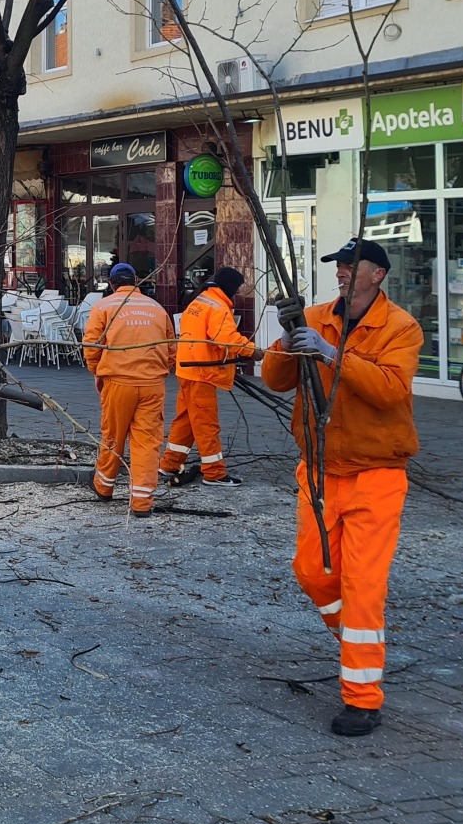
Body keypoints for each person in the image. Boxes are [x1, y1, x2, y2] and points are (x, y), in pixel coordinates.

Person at [261, 238, 422, 739]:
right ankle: (354, 640)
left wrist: (332, 354)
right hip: (319, 470)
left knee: (363, 585)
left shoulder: (400, 327)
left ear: (379, 275)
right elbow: (274, 379)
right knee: (311, 571)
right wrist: (288, 343)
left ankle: (362, 698)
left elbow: (391, 389)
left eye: (354, 267)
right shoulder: (313, 316)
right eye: (339, 266)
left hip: (377, 474)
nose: (342, 273)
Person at [80, 263, 175, 516]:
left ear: (111, 284)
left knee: (113, 436)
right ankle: (142, 502)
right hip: (153, 384)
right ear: (136, 281)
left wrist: (97, 371)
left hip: (118, 382)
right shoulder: (156, 308)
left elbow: (91, 346)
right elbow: (171, 349)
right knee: (147, 441)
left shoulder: (104, 307)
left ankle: (103, 487)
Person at [163, 266, 260, 488]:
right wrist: (251, 350)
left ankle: (170, 463)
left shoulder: (199, 301)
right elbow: (225, 338)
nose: (236, 293)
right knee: (206, 423)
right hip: (202, 372)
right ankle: (214, 473)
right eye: (235, 289)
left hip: (187, 369)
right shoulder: (218, 308)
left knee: (185, 420)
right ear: (229, 287)